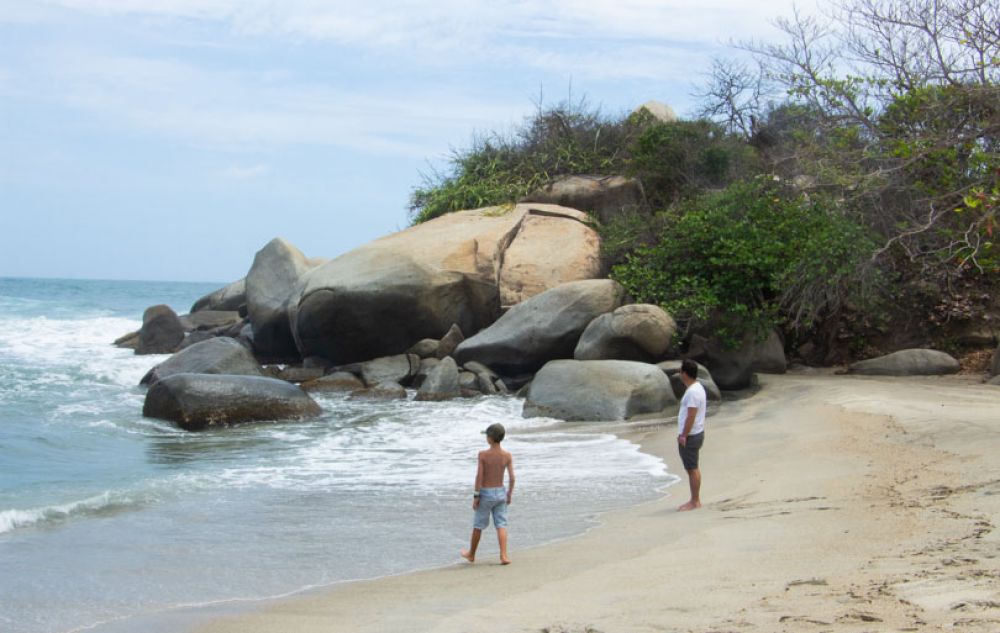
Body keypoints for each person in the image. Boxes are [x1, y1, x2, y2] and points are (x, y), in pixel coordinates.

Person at [461, 422, 515, 565]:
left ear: (490, 438)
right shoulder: (507, 455)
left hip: (486, 494)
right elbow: (512, 477)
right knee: (501, 524)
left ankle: (471, 554)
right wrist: (509, 494)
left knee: (478, 525)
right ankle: (503, 555)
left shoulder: (483, 455)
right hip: (501, 492)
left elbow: (479, 476)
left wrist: (476, 496)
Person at [677, 359, 707, 511]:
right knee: (693, 467)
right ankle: (695, 499)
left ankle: (695, 501)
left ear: (685, 374)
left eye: (680, 371)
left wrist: (683, 435)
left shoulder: (693, 392)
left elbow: (691, 416)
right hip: (696, 433)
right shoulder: (698, 387)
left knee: (692, 468)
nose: (679, 374)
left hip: (691, 435)